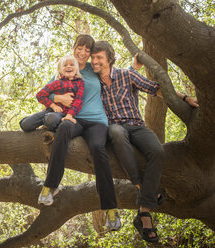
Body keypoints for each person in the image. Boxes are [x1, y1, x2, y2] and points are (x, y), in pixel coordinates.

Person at [89, 40, 198, 243]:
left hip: (136, 125)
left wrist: (184, 98)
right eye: (93, 58)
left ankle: (143, 208)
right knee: (117, 133)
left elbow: (155, 88)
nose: (94, 61)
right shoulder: (93, 83)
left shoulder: (126, 75)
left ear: (109, 59)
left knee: (158, 151)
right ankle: (141, 192)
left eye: (99, 58)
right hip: (115, 128)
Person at [31, 34, 122, 232]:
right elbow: (47, 92)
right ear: (73, 48)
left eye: (87, 50)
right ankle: (50, 186)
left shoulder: (93, 69)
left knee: (98, 148)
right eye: (79, 48)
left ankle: (111, 208)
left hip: (97, 121)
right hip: (73, 119)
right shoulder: (65, 67)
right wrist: (58, 98)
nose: (83, 53)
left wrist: (134, 69)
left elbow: (115, 73)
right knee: (63, 128)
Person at [20, 55, 84, 133]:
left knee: (51, 118)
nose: (68, 67)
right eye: (65, 65)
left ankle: (49, 123)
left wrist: (69, 115)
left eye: (71, 65)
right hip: (50, 111)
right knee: (25, 125)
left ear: (77, 69)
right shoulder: (57, 83)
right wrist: (53, 105)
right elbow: (40, 95)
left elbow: (78, 101)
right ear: (60, 70)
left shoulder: (80, 82)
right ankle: (42, 121)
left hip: (64, 115)